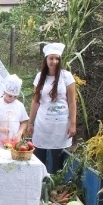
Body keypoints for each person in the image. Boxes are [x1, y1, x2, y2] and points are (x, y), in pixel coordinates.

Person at [26, 42, 77, 173]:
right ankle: (40, 183)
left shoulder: (66, 76)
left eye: (57, 58)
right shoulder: (40, 77)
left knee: (57, 162)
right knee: (39, 159)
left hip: (60, 126)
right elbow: (36, 101)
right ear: (46, 59)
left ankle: (55, 184)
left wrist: (73, 124)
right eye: (51, 58)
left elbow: (72, 102)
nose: (54, 61)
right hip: (42, 125)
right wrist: (30, 123)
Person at [0, 74, 28, 146]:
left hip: (14, 139)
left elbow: (24, 122)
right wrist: (1, 129)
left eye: (15, 96)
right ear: (4, 92)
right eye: (10, 96)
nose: (12, 98)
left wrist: (20, 132)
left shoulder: (20, 105)